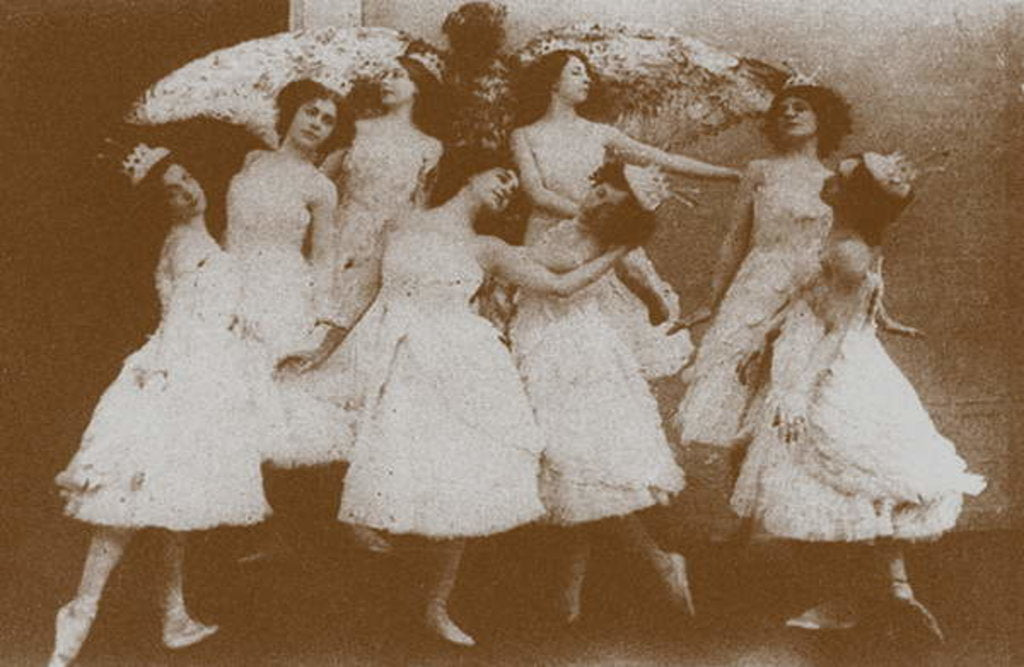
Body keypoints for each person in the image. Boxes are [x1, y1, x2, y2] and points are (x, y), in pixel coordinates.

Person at [299, 164, 629, 646]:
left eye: (513, 191)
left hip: (463, 364)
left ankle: (436, 605)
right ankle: (361, 569)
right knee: (370, 454)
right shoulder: (401, 223)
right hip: (393, 350)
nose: (505, 191)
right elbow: (360, 295)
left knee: (460, 482)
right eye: (500, 178)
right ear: (469, 173)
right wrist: (320, 351)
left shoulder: (489, 249)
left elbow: (560, 285)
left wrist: (620, 248)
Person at [730, 152, 986, 639]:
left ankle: (861, 597)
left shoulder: (849, 249)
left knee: (841, 476)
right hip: (808, 353)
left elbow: (835, 327)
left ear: (854, 197)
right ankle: (891, 591)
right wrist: (764, 336)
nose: (829, 177)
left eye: (841, 176)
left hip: (831, 369)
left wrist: (796, 393)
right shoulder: (840, 240)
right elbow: (817, 296)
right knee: (848, 482)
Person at [48, 145, 278, 666]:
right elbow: (179, 317)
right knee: (129, 505)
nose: (187, 192)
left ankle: (174, 614)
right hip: (178, 373)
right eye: (172, 191)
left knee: (178, 501)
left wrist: (234, 328)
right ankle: (79, 614)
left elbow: (212, 309)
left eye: (187, 179)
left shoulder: (203, 240)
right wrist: (174, 371)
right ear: (164, 206)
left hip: (204, 370)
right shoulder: (181, 242)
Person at [509, 160, 692, 623]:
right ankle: (569, 594)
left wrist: (651, 302)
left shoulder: (616, 248)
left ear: (624, 220)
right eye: (601, 191)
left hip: (580, 353)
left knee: (584, 470)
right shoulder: (562, 227)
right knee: (572, 480)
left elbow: (654, 303)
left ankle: (659, 561)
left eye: (613, 204)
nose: (599, 201)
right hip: (536, 341)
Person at [511, 49, 740, 379]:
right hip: (551, 238)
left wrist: (729, 174)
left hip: (600, 237)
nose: (586, 78)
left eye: (586, 72)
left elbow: (661, 158)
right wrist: (589, 217)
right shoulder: (525, 135)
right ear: (552, 82)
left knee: (608, 338)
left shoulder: (600, 133)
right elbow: (536, 193)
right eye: (576, 72)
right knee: (551, 333)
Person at [672, 82, 852, 446]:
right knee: (738, 393)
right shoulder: (760, 171)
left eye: (800, 107)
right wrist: (712, 300)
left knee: (798, 391)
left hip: (808, 293)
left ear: (823, 118)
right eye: (782, 109)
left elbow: (848, 247)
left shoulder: (836, 180)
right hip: (757, 286)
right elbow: (735, 239)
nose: (789, 114)